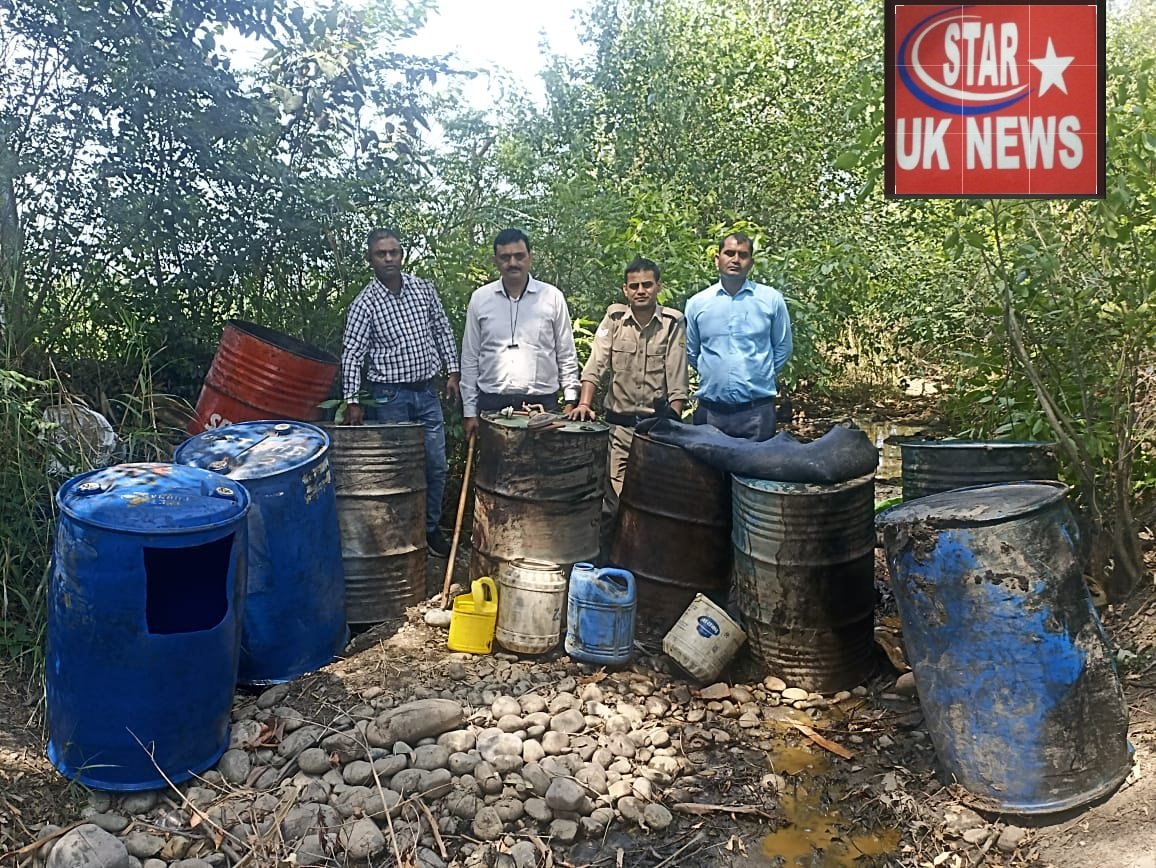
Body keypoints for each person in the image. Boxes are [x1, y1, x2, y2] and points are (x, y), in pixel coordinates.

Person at [341, 227, 460, 557]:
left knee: (436, 465)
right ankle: (402, 535)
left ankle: (430, 529)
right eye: (381, 253)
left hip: (427, 393)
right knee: (398, 470)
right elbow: (353, 354)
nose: (388, 258)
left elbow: (441, 329)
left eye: (393, 252)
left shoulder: (422, 289)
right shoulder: (365, 303)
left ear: (402, 254)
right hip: (390, 397)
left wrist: (453, 371)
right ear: (370, 258)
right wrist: (352, 400)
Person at [568, 256, 688, 514]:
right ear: (625, 290)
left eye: (647, 284)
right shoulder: (614, 319)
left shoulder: (672, 323)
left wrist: (672, 424)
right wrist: (584, 403)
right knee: (614, 502)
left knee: (652, 500)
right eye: (634, 286)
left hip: (654, 431)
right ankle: (612, 541)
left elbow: (677, 377)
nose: (640, 291)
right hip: (619, 429)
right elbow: (596, 364)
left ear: (658, 287)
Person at [460, 228, 580, 439]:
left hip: (542, 405)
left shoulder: (552, 297)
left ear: (530, 257)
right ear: (495, 261)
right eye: (505, 257)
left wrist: (571, 400)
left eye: (519, 256)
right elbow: (470, 357)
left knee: (544, 461)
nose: (512, 263)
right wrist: (469, 412)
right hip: (492, 405)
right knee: (494, 461)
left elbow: (566, 352)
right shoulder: (480, 299)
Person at [685, 232, 793, 441]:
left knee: (757, 463)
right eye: (729, 253)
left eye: (743, 255)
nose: (735, 260)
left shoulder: (771, 300)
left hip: (757, 413)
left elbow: (783, 347)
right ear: (717, 259)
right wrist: (716, 374)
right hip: (710, 413)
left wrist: (760, 375)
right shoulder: (697, 303)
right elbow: (691, 351)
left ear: (751, 263)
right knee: (707, 464)